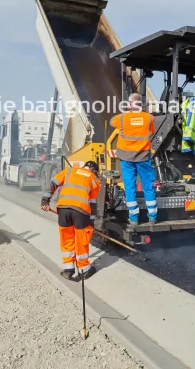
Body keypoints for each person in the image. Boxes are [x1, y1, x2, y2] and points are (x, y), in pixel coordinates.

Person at [41, 161, 101, 281]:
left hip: (63, 209)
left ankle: (68, 269)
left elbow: (52, 183)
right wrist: (91, 222)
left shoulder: (69, 170)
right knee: (81, 239)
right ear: (94, 170)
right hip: (81, 211)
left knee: (66, 238)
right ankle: (84, 269)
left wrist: (45, 201)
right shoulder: (94, 179)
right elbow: (93, 203)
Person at [110, 93, 157, 224]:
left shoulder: (121, 118)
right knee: (148, 186)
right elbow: (151, 131)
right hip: (143, 157)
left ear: (130, 104)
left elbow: (111, 122)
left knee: (130, 186)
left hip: (127, 159)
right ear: (141, 104)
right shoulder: (150, 118)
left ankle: (134, 218)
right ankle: (152, 217)